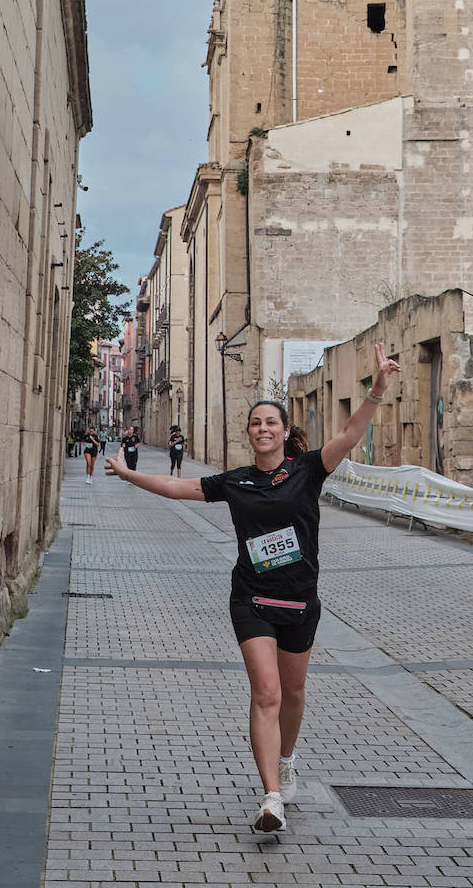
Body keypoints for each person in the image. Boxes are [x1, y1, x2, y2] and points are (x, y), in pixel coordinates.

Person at [105, 342, 399, 835]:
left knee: (294, 693)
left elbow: (350, 434)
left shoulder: (308, 470)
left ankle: (286, 758)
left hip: (300, 598)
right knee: (265, 692)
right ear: (250, 434)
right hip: (252, 599)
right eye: (255, 424)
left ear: (285, 432)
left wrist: (377, 389)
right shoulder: (237, 482)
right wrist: (130, 475)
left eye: (271, 423)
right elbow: (181, 489)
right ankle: (271, 798)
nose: (263, 429)